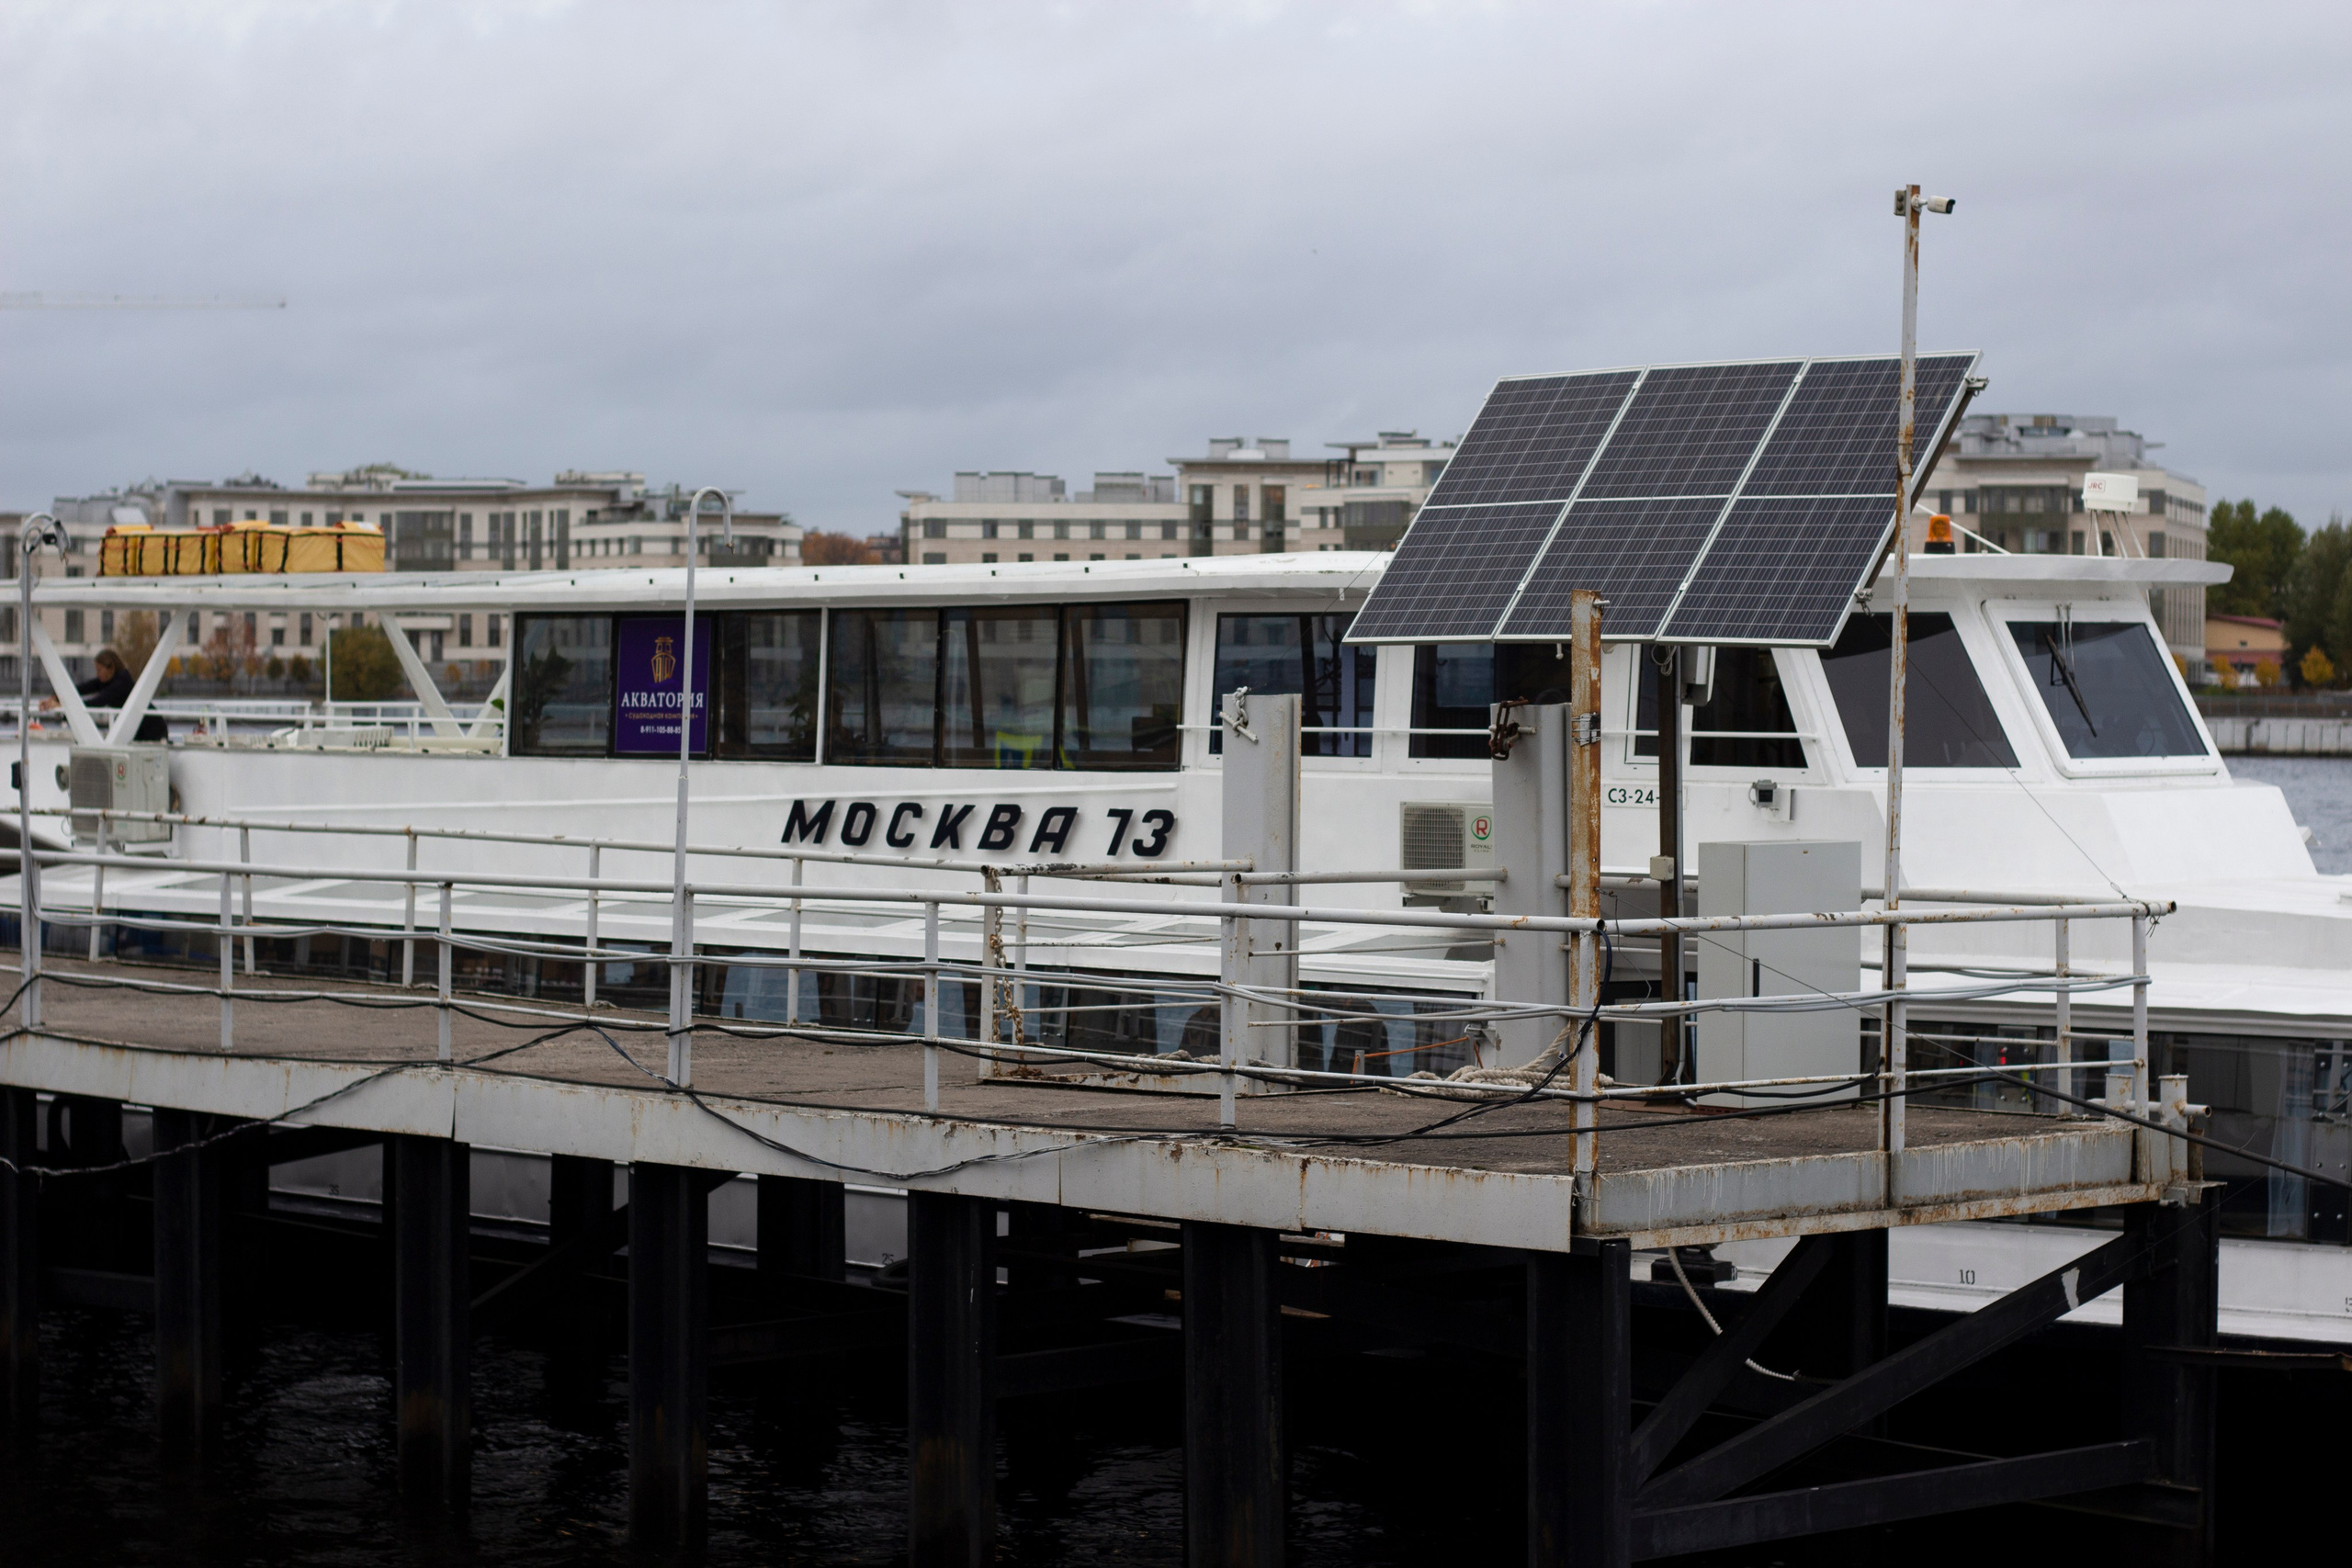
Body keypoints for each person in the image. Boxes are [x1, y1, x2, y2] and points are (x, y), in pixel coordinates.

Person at [40, 647, 169, 741]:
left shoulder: (122, 682)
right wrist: (54, 697)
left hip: (151, 728)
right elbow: (80, 689)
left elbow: (98, 701)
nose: (97, 674)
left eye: (99, 670)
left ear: (111, 668)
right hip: (135, 726)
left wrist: (62, 706)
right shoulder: (107, 680)